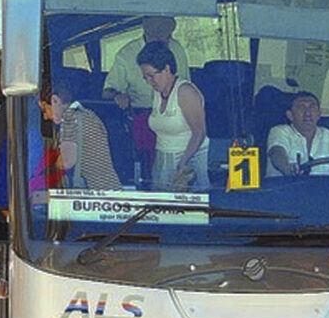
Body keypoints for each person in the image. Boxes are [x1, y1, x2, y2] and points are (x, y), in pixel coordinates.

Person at [103, 16, 191, 185]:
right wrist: (118, 96)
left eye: (166, 37)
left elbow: (186, 87)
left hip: (174, 117)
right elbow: (107, 91)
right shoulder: (126, 54)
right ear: (147, 34)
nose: (163, 41)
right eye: (158, 37)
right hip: (139, 119)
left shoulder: (177, 49)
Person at [136, 41, 210, 191]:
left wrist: (183, 163)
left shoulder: (186, 92)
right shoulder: (157, 92)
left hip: (187, 162)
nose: (149, 82)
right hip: (162, 160)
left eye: (151, 76)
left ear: (167, 69)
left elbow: (199, 132)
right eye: (145, 78)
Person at [40, 80, 122, 191]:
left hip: (96, 192)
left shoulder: (69, 118)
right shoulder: (87, 114)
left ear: (55, 100)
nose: (45, 116)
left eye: (45, 109)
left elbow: (67, 161)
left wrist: (49, 164)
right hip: (108, 189)